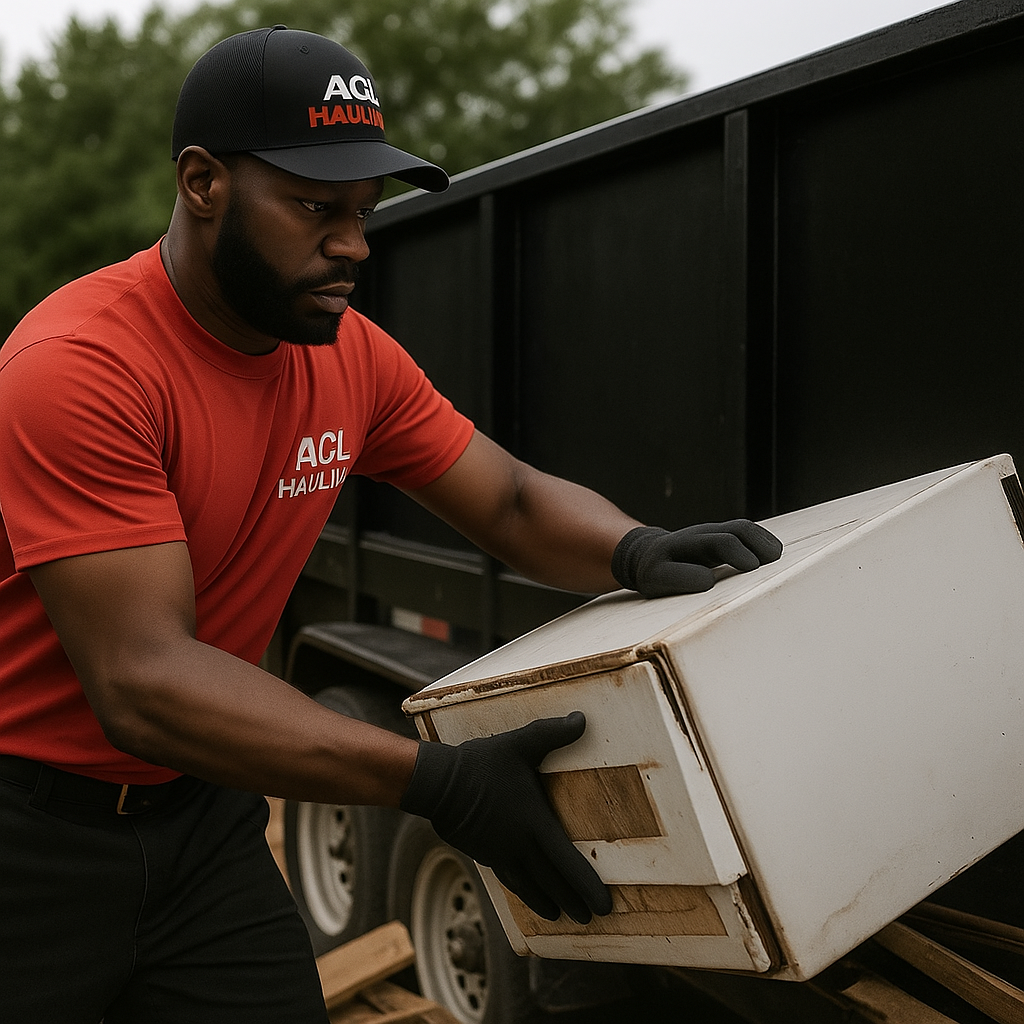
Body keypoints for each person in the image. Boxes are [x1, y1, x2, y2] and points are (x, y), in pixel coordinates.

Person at [0, 25, 783, 1024]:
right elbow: (144, 680)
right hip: (27, 840)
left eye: (365, 213)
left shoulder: (349, 357)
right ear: (203, 183)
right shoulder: (81, 367)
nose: (354, 246)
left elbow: (506, 500)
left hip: (205, 831)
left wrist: (632, 549)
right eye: (317, 209)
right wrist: (442, 783)